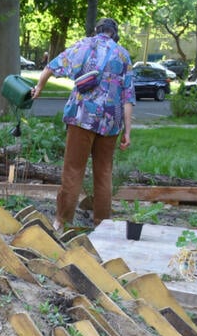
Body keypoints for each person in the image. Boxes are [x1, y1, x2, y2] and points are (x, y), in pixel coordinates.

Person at [30, 17, 134, 232]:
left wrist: (39, 87)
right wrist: (127, 132)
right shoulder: (123, 55)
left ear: (97, 30)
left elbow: (52, 66)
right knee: (104, 172)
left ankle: (62, 221)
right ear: (115, 34)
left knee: (73, 170)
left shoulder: (83, 45)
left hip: (82, 117)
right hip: (110, 123)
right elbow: (128, 97)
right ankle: (101, 224)